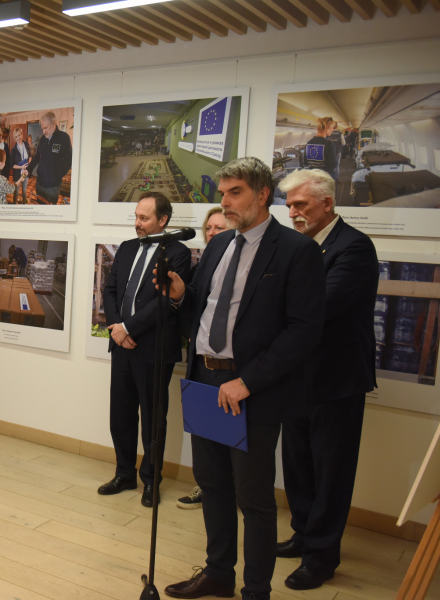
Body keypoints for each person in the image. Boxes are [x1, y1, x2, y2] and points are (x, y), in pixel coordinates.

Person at [159, 157, 325, 600]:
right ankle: (218, 574)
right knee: (212, 485)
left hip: (250, 389)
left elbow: (304, 330)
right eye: (223, 193)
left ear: (262, 194)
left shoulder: (296, 250)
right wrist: (181, 295)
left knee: (253, 498)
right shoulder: (218, 246)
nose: (226, 202)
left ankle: (256, 590)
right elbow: (203, 305)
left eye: (235, 193)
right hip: (205, 381)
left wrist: (248, 381)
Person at [278, 169, 379, 591]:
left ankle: (321, 558)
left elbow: (321, 306)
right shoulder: (298, 247)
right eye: (289, 205)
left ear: (327, 203)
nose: (293, 213)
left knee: (331, 472)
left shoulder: (354, 247)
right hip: (297, 376)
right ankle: (303, 534)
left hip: (337, 380)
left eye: (300, 204)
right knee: (298, 465)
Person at [99, 192, 191, 508]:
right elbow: (110, 290)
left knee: (153, 420)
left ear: (162, 220)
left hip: (153, 348)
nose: (137, 223)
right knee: (120, 415)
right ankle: (124, 474)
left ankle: (151, 481)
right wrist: (117, 328)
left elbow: (166, 302)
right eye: (136, 216)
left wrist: (129, 328)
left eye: (144, 218)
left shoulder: (178, 253)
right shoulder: (127, 248)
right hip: (122, 346)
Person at [176, 205, 229, 511]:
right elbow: (191, 306)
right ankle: (205, 488)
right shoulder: (202, 266)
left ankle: (229, 494)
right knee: (203, 436)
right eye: (209, 228)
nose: (212, 233)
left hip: (230, 370)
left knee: (228, 437)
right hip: (200, 363)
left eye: (219, 228)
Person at [23, 112, 72, 205]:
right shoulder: (42, 140)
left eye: (46, 128)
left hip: (53, 187)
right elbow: (36, 157)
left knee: (50, 210)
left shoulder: (64, 138)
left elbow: (68, 161)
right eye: (42, 128)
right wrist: (28, 169)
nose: (44, 131)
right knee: (40, 207)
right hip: (39, 183)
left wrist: (57, 175)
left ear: (53, 123)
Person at [306, 117, 339, 182]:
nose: (332, 130)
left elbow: (306, 162)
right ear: (327, 127)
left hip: (313, 177)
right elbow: (333, 164)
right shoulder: (329, 144)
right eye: (332, 128)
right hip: (326, 177)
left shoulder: (309, 143)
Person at [10, 128, 31, 204]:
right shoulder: (13, 149)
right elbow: (12, 165)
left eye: (19, 135)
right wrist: (21, 167)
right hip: (17, 174)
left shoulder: (26, 144)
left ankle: (24, 205)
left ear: (22, 135)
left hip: (25, 172)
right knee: (17, 192)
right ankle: (14, 205)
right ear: (14, 139)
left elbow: (30, 156)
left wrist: (29, 162)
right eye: (16, 137)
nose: (18, 138)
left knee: (24, 191)